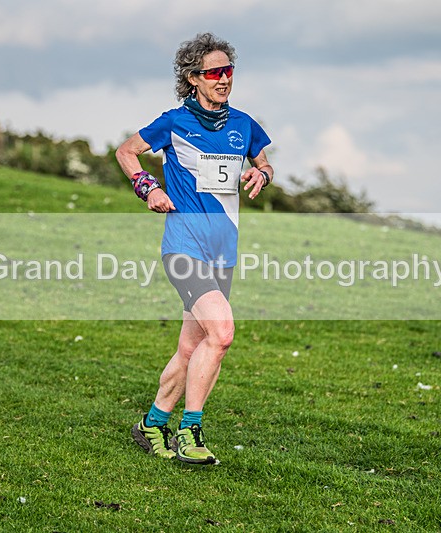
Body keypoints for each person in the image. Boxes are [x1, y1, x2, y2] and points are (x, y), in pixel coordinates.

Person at [115, 32, 274, 464]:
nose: (224, 79)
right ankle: (190, 432)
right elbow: (127, 151)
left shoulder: (243, 124)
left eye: (229, 71)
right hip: (184, 248)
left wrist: (263, 173)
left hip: (224, 253)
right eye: (214, 73)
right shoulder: (173, 122)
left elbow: (263, 159)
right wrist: (147, 186)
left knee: (192, 348)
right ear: (193, 78)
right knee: (221, 334)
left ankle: (150, 425)